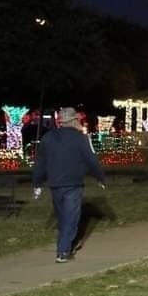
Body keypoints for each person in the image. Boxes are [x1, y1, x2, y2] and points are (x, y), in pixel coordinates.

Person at [31, 107, 106, 263]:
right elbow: (91, 160)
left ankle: (66, 244)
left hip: (55, 184)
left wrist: (37, 183)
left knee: (63, 216)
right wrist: (100, 177)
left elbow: (40, 163)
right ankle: (63, 251)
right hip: (73, 183)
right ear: (73, 120)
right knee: (70, 217)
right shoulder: (80, 138)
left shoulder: (48, 138)